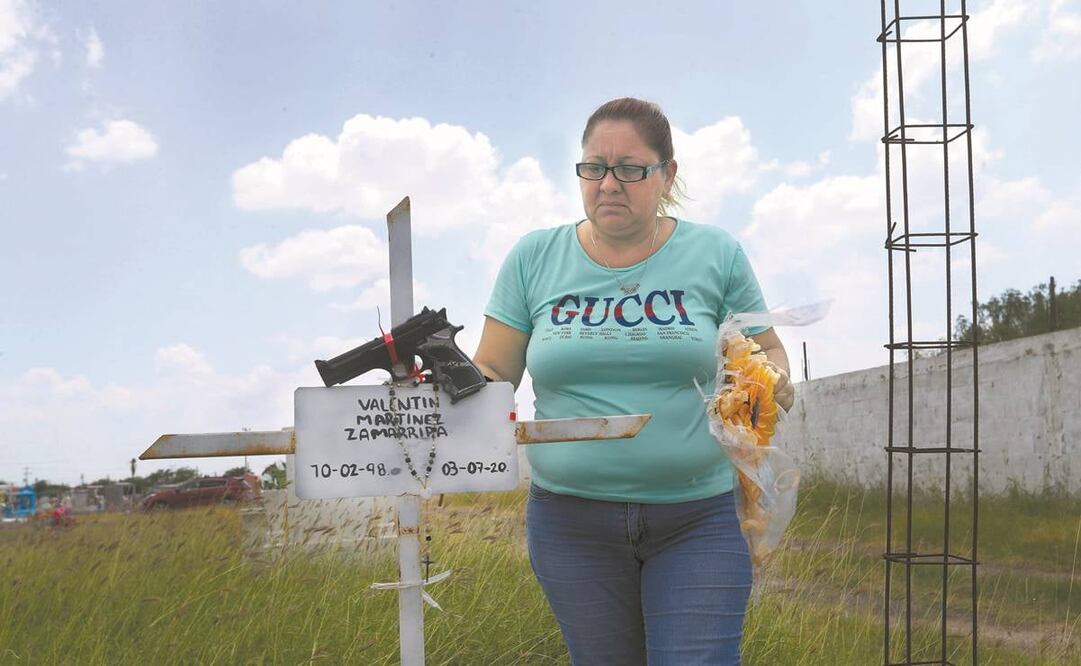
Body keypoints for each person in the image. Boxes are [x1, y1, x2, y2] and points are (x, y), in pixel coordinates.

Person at [473, 97, 794, 665]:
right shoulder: (533, 258)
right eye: (594, 167)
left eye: (630, 168)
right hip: (570, 523)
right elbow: (494, 371)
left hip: (698, 516)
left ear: (667, 174)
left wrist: (772, 385)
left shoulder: (715, 254)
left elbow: (768, 353)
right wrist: (431, 392)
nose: (609, 183)